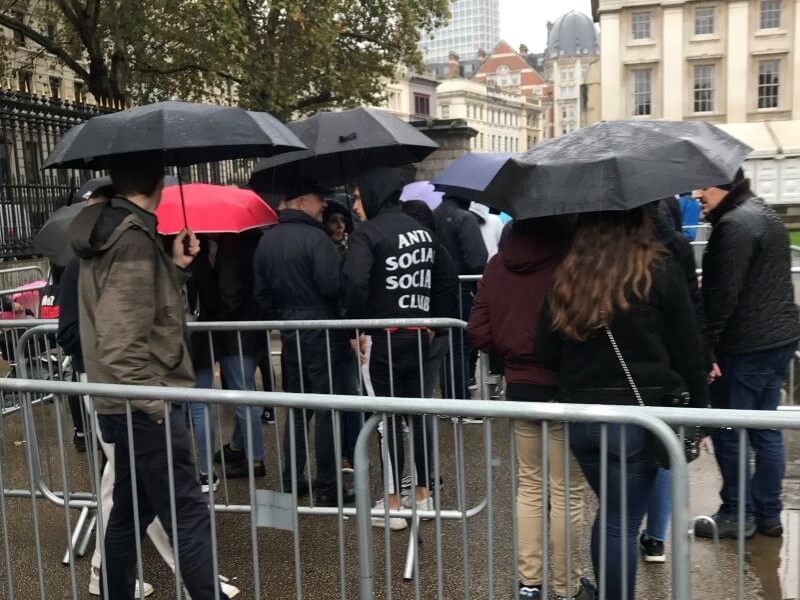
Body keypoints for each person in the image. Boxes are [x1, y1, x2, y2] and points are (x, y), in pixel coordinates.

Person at [69, 156, 232, 600]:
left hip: (127, 402)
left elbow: (144, 316)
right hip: (144, 403)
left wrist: (175, 266)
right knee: (188, 514)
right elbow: (122, 344)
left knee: (129, 512)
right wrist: (158, 409)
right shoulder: (132, 240)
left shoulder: (119, 232)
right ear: (160, 181)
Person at [535, 208, 709, 600]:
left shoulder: (569, 274)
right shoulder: (656, 270)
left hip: (582, 418)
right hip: (638, 418)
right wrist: (702, 412)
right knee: (622, 521)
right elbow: (688, 348)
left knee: (612, 514)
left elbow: (543, 351)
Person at [468, 218, 593, 600]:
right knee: (567, 492)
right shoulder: (570, 261)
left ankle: (529, 583)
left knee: (529, 486)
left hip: (520, 386)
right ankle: (566, 586)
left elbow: (478, 331)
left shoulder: (497, 264)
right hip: (564, 386)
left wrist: (509, 351)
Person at [342, 166, 457, 530]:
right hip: (416, 337)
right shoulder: (423, 233)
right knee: (416, 416)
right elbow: (446, 279)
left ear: (374, 194)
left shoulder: (368, 234)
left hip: (381, 338)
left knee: (384, 421)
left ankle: (392, 502)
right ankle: (421, 495)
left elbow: (354, 282)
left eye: (359, 197)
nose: (356, 206)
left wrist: (356, 327)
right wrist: (433, 325)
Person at [693, 169, 800, 539]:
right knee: (766, 429)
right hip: (776, 340)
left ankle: (738, 513)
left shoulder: (735, 225)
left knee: (730, 432)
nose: (697, 195)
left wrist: (707, 348)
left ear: (722, 187)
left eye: (703, 186)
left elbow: (725, 297)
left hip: (745, 347)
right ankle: (769, 514)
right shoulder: (762, 213)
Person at [253, 178, 355, 507]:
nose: (323, 205)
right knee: (326, 409)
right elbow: (330, 286)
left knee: (297, 409)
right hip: (321, 329)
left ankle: (291, 480)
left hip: (289, 330)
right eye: (317, 199)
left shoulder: (266, 241)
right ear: (300, 202)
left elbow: (261, 294)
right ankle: (328, 486)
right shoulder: (317, 239)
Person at [639, 198, 706, 563]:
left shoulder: (602, 251)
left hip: (633, 364)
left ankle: (645, 531)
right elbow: (691, 308)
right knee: (662, 451)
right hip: (668, 365)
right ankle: (656, 537)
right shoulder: (675, 246)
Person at [212, 231, 268, 479]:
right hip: (255, 331)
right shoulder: (258, 244)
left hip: (235, 334)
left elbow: (229, 295)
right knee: (246, 390)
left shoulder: (230, 250)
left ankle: (255, 460)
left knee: (244, 397)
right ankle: (237, 445)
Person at [433, 193, 488, 401]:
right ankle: (459, 401)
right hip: (461, 289)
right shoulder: (464, 218)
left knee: (447, 348)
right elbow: (478, 260)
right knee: (461, 347)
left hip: (439, 291)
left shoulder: (433, 216)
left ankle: (449, 399)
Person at [322, 199, 362, 470]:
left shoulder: (354, 248)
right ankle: (342, 453)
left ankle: (353, 450)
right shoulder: (324, 250)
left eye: (342, 220)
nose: (339, 226)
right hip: (335, 330)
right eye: (333, 221)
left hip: (348, 329)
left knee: (350, 392)